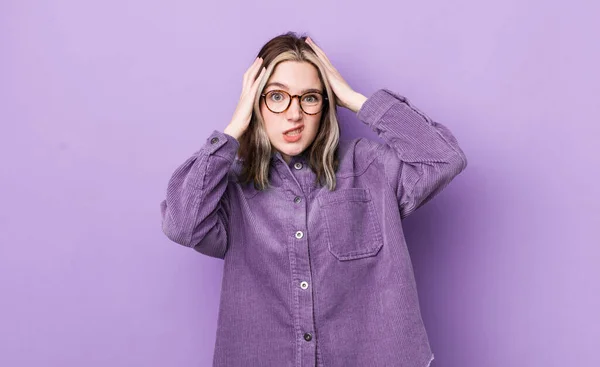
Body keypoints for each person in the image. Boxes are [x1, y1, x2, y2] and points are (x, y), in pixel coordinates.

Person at [160, 31, 467, 367]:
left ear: (325, 104)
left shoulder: (370, 167)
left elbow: (443, 158)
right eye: (277, 97)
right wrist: (234, 129)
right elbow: (182, 225)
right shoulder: (232, 188)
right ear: (256, 103)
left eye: (309, 98)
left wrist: (354, 98)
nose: (294, 114)